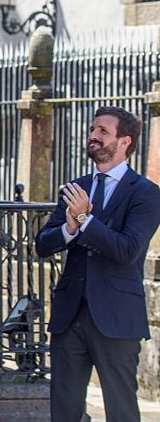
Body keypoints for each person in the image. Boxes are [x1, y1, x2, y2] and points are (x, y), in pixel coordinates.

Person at [35, 106, 160, 422]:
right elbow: (42, 245)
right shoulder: (76, 188)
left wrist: (83, 219)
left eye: (103, 131)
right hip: (69, 316)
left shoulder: (146, 193)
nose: (93, 135)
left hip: (117, 319)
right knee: (64, 411)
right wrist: (68, 228)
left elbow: (127, 250)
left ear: (124, 141)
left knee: (121, 411)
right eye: (93, 129)